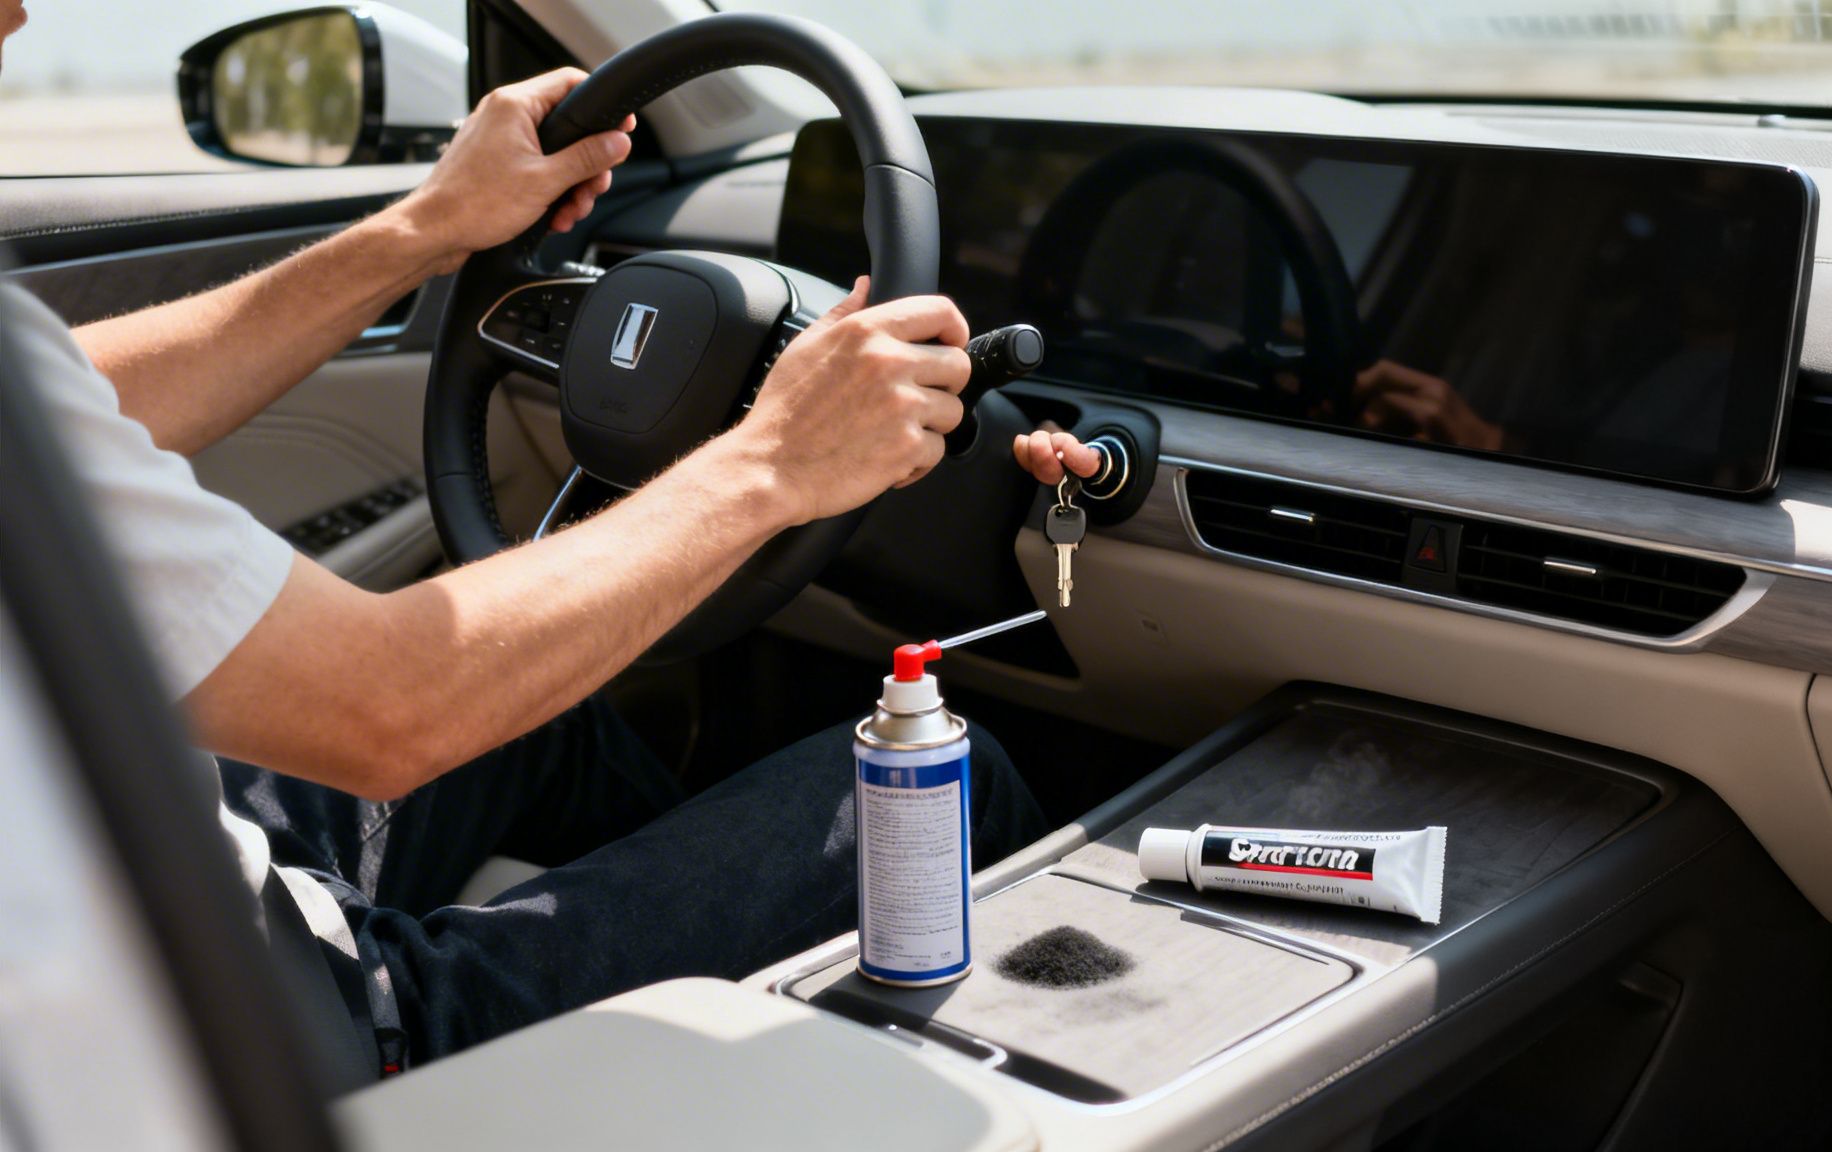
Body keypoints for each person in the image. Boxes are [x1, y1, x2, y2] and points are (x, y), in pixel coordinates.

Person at [2, 3, 1101, 1079]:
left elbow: (64, 399)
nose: (21, 15)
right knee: (942, 793)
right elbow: (389, 708)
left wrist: (427, 227)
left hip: (148, 880)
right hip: (253, 1038)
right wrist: (776, 458)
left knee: (544, 715)